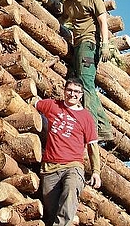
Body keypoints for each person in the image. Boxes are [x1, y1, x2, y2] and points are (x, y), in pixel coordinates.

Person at [36, 78, 101, 226]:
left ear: (82, 94)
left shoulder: (86, 117)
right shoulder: (52, 105)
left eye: (77, 92)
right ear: (64, 91)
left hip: (73, 166)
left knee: (71, 189)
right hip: (49, 169)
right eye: (70, 90)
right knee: (52, 213)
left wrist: (96, 171)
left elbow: (93, 147)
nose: (73, 94)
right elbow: (32, 104)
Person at [59, 0, 114, 141]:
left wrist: (104, 44)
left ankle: (92, 128)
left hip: (89, 44)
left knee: (85, 83)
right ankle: (104, 128)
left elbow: (103, 21)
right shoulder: (68, 4)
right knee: (79, 81)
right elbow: (63, 20)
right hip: (77, 45)